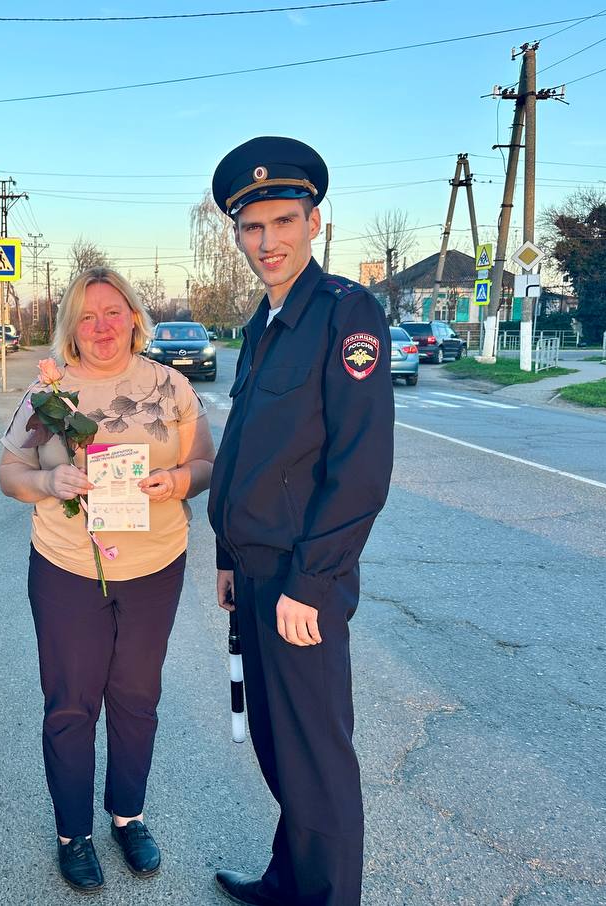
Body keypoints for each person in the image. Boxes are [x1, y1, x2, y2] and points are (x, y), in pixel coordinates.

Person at [206, 137, 394, 905]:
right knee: (282, 753)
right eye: (252, 228)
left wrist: (311, 584)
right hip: (252, 572)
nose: (268, 242)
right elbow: (250, 451)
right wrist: (225, 553)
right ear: (237, 234)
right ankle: (291, 882)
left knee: (316, 758)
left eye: (284, 221)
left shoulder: (345, 315)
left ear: (315, 222)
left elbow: (360, 468)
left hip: (298, 582)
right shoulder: (264, 322)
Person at [0, 266, 215, 893]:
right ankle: (74, 833)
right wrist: (47, 482)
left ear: (134, 317)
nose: (101, 327)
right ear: (70, 325)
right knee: (70, 704)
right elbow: (9, 472)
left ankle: (128, 816)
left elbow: (204, 461)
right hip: (68, 568)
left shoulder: (171, 388)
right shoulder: (48, 394)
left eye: (113, 312)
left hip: (154, 567)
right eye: (87, 316)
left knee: (136, 699)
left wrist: (177, 482)